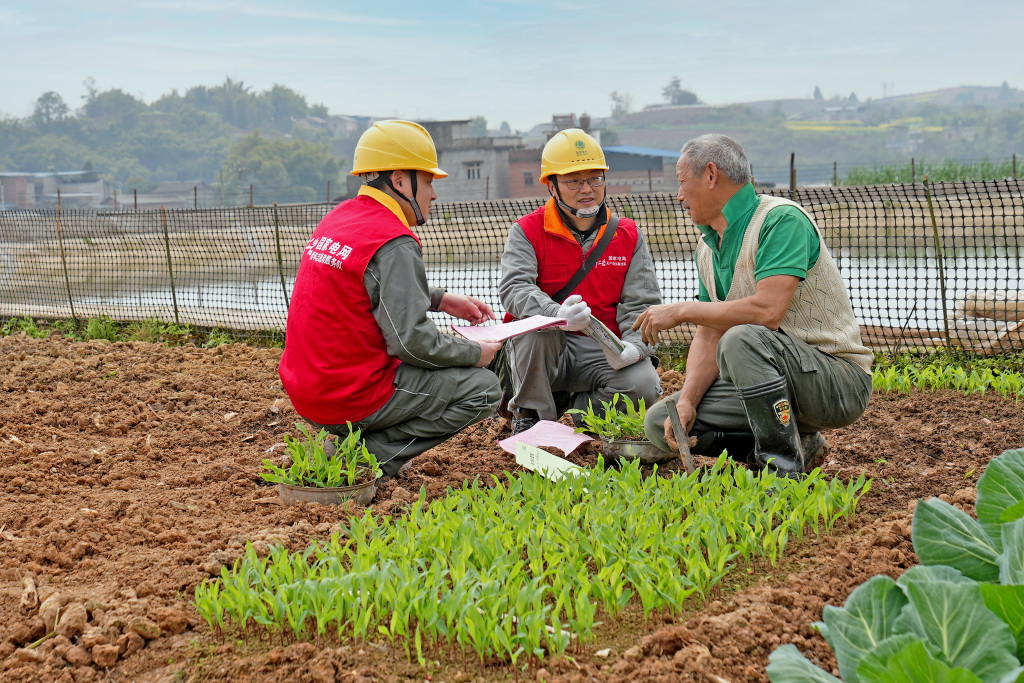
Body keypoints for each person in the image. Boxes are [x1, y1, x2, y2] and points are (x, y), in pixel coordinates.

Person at [634, 134, 873, 477]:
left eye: (682, 181)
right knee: (662, 420)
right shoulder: (706, 249)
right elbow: (710, 331)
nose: (679, 195)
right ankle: (798, 446)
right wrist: (687, 400)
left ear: (711, 175)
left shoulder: (781, 220)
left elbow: (767, 312)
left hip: (837, 383)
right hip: (774, 381)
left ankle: (782, 469)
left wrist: (681, 310)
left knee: (743, 337)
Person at [279, 120, 502, 479]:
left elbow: (361, 287)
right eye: (428, 181)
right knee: (483, 390)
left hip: (308, 391)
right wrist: (477, 353)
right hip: (349, 396)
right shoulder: (394, 240)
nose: (434, 194)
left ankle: (347, 440)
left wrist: (440, 299)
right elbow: (412, 344)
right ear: (400, 181)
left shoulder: (341, 218)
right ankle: (368, 458)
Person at [498, 128, 662, 434]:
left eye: (594, 178)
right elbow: (514, 288)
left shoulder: (627, 235)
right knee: (537, 333)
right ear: (551, 186)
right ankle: (532, 418)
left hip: (600, 350)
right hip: (545, 348)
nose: (587, 189)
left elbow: (641, 303)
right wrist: (555, 315)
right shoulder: (526, 230)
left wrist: (634, 347)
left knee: (644, 385)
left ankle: (580, 415)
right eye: (573, 180)